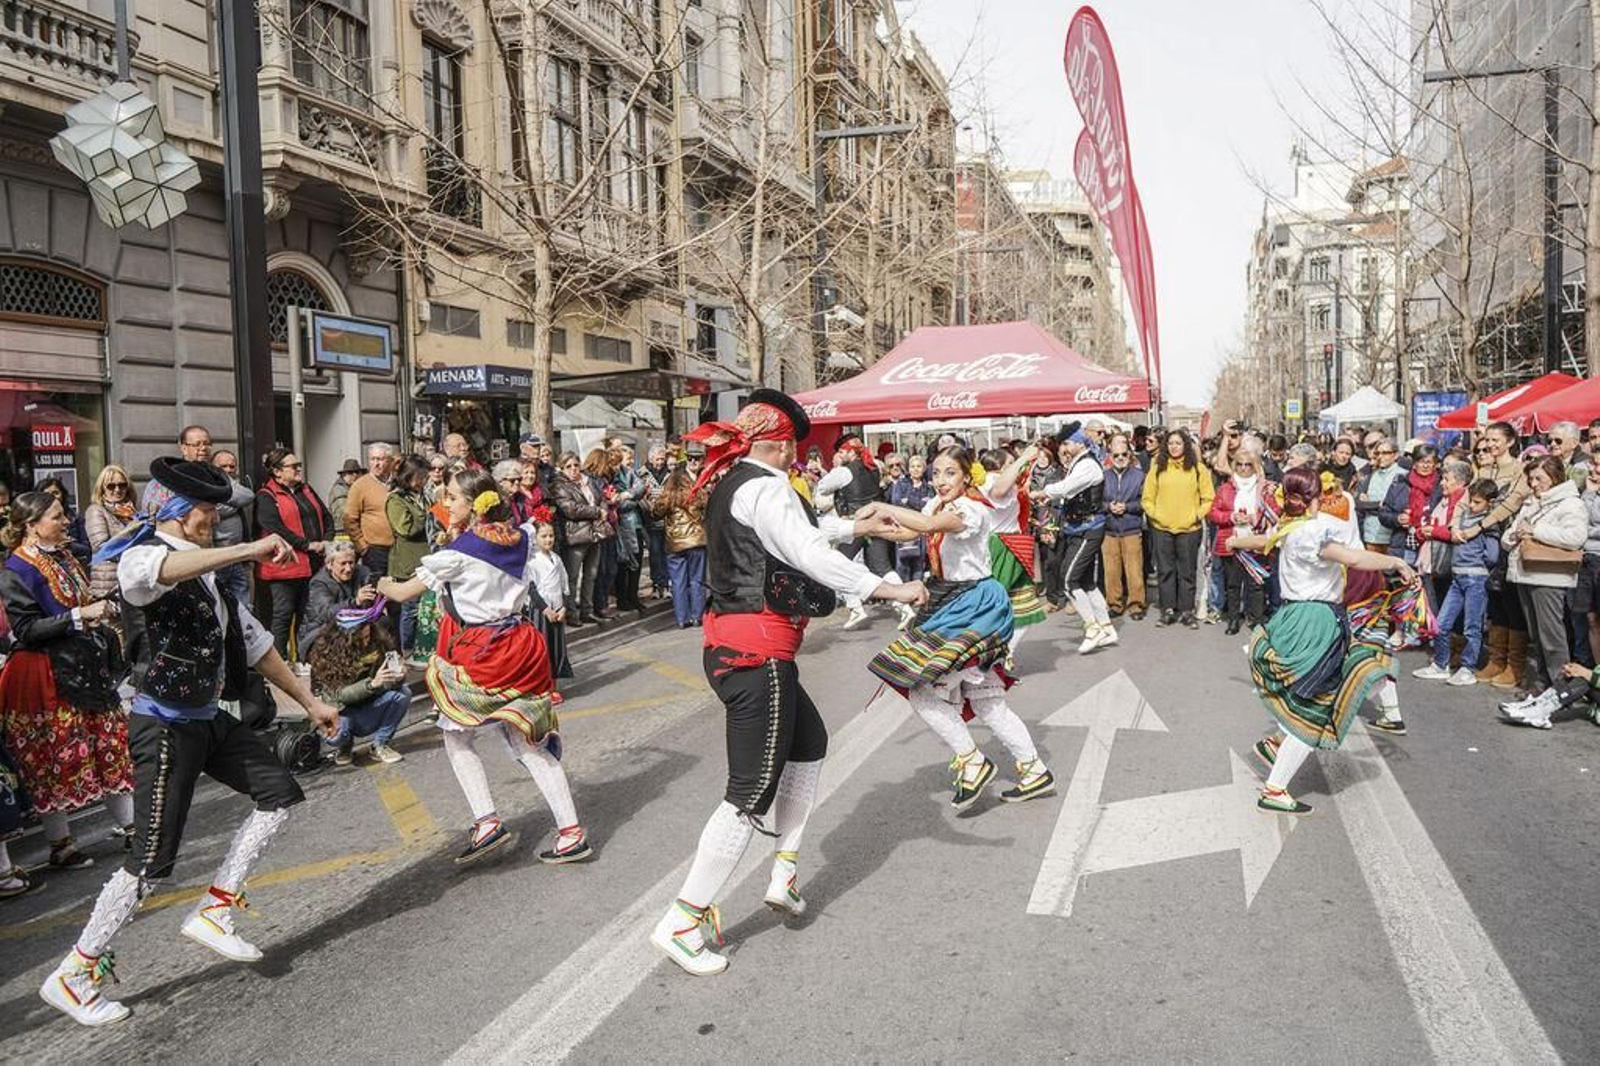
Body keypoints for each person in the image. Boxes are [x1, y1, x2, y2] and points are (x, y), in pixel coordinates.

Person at [42, 457, 340, 1027]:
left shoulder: (207, 576)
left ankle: (215, 910)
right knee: (150, 863)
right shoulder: (142, 558)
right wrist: (248, 552)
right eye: (209, 511)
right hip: (162, 725)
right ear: (181, 512)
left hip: (204, 718)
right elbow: (154, 573)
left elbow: (255, 645)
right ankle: (74, 972)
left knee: (279, 791)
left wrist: (312, 703)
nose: (218, 521)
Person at [647, 390, 925, 977]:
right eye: (794, 453)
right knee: (749, 793)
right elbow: (803, 552)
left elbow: (780, 536)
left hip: (740, 645)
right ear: (780, 447)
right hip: (760, 653)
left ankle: (784, 871)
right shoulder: (767, 484)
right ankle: (682, 919)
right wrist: (888, 588)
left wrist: (852, 522)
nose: (797, 463)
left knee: (810, 744)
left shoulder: (735, 480)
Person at [377, 468, 592, 866]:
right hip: (523, 645)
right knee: (529, 743)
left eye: (453, 497)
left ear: (475, 506)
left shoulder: (456, 555)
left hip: (483, 652)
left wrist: (382, 585)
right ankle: (571, 832)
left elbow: (406, 592)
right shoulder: (522, 538)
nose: (446, 503)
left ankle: (487, 820)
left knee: (456, 736)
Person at [866, 445, 1054, 806]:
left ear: (968, 476)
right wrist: (857, 529)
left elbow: (926, 526)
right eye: (935, 473)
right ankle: (1032, 770)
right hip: (955, 600)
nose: (940, 480)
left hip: (975, 603)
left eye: (950, 472)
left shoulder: (971, 509)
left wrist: (880, 505)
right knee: (986, 698)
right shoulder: (938, 505)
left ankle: (971, 761)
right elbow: (911, 532)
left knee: (921, 688)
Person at [1229, 467, 1419, 815]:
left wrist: (1234, 540)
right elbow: (1354, 558)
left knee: (1343, 683)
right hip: (1315, 623)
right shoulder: (1312, 532)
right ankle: (1274, 788)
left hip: (1295, 618)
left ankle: (1277, 743)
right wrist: (1394, 561)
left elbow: (1262, 541)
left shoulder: (1290, 526)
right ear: (1316, 498)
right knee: (1316, 708)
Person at [0, 493, 133, 870]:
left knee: (108, 747)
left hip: (83, 665)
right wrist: (79, 615)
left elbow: (79, 600)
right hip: (45, 674)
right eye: (57, 517)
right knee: (55, 761)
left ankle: (133, 826)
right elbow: (26, 629)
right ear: (31, 524)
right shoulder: (16, 569)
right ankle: (61, 843)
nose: (65, 521)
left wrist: (99, 607)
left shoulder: (66, 556)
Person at [1497, 455, 1589, 729]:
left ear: (1555, 477)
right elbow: (1507, 536)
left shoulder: (1570, 503)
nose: (1534, 484)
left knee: (1552, 640)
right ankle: (1540, 689)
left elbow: (1575, 537)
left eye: (1540, 478)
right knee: (1537, 638)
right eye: (1531, 479)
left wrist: (1535, 530)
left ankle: (1559, 694)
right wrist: (1515, 535)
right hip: (1525, 573)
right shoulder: (1533, 502)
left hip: (1550, 577)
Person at [1413, 479, 1500, 686]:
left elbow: (1493, 555)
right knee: (1441, 624)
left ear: (1490, 502)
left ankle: (1467, 668)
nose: (1472, 505)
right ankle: (1441, 664)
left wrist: (1478, 562)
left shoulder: (1489, 525)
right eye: (1471, 500)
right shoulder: (1464, 516)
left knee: (1472, 627)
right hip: (1457, 577)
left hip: (1475, 578)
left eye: (1477, 502)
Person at [254, 448, 334, 659]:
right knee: (282, 615)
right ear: (277, 472)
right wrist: (306, 545)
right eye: (293, 466)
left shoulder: (306, 489)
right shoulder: (266, 495)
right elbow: (275, 527)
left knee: (308, 615)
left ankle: (303, 658)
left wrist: (326, 539)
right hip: (284, 567)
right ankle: (279, 663)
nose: (299, 469)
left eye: (299, 465)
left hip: (312, 564)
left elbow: (326, 516)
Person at [1041, 425, 1115, 652]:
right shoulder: (1079, 463)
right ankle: (1106, 627)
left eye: (1067, 443)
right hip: (1077, 527)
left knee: (1068, 580)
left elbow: (1066, 487)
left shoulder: (1088, 465)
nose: (1063, 448)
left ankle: (1092, 628)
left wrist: (1043, 492)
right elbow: (1071, 493)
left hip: (1088, 528)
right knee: (1085, 581)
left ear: (1079, 443)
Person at [306, 612, 408, 765]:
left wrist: (397, 677)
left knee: (403, 694)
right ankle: (344, 746)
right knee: (336, 736)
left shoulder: (378, 644)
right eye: (360, 639)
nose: (365, 643)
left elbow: (386, 683)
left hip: (369, 707)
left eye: (368, 637)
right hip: (341, 712)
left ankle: (380, 744)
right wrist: (372, 684)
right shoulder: (327, 655)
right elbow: (338, 695)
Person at [818, 433, 894, 630]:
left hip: (856, 523)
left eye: (842, 451)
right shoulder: (874, 466)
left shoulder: (843, 472)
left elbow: (823, 487)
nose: (839, 455)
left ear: (850, 452)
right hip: (875, 519)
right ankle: (904, 605)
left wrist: (834, 469)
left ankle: (855, 608)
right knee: (882, 565)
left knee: (838, 562)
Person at [1142, 429, 1214, 628]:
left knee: (1187, 571)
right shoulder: (1157, 467)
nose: (1174, 447)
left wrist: (1196, 515)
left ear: (1185, 446)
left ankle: (1187, 611)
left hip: (1189, 528)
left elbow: (1208, 498)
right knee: (1165, 570)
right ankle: (1167, 610)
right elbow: (1147, 498)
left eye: (1178, 443)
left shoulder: (1198, 469)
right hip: (1162, 528)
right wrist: (1156, 515)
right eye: (1170, 443)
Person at [1208, 441, 1272, 635]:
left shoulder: (1264, 488)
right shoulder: (1225, 488)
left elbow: (1274, 510)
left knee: (1256, 583)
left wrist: (1256, 518)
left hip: (1255, 541)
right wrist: (1231, 517)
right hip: (1231, 541)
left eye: (1248, 465)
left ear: (1255, 467)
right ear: (1234, 466)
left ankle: (1256, 619)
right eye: (1240, 464)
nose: (1244, 469)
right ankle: (1233, 620)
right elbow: (1213, 513)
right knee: (1233, 584)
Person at [551, 451, 608, 624]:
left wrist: (602, 508)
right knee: (572, 576)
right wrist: (597, 512)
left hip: (594, 533)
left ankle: (587, 610)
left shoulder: (587, 480)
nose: (574, 469)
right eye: (568, 466)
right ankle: (571, 613)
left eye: (576, 465)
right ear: (561, 468)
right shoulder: (559, 485)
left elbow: (601, 498)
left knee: (591, 574)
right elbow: (571, 509)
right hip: (575, 535)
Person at [651, 465, 707, 628]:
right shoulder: (696, 493)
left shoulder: (668, 495)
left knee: (678, 581)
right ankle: (698, 616)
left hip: (675, 543)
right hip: (696, 541)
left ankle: (682, 619)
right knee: (697, 579)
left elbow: (655, 513)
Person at [298, 540, 375, 660]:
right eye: (343, 564)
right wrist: (355, 602)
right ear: (329, 564)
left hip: (351, 626)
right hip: (319, 634)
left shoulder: (362, 572)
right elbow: (327, 613)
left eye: (351, 562)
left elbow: (371, 585)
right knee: (349, 632)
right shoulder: (319, 583)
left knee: (383, 622)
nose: (348, 568)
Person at [385, 455, 431, 653]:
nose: (423, 481)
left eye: (424, 477)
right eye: (419, 477)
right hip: (408, 561)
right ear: (408, 476)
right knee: (410, 610)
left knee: (426, 609)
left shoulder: (424, 496)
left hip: (427, 558)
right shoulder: (395, 499)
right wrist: (430, 516)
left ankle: (425, 647)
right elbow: (406, 528)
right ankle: (408, 650)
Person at [1100, 434, 1146, 621]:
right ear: (1110, 456)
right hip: (1109, 530)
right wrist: (1108, 507)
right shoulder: (1103, 477)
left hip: (1131, 528)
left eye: (1123, 455)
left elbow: (1146, 502)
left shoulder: (1139, 476)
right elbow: (1096, 502)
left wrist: (1128, 507)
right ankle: (1114, 604)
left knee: (1134, 570)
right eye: (1116, 455)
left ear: (1130, 455)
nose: (1120, 458)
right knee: (1111, 571)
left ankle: (1136, 605)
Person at [527, 521, 572, 698]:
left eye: (551, 536)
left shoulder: (557, 558)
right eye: (543, 536)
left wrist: (563, 608)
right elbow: (531, 588)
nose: (548, 540)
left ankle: (553, 685)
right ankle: (542, 687)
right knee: (542, 649)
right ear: (535, 538)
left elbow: (564, 584)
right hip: (541, 611)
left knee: (556, 649)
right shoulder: (532, 561)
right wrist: (545, 609)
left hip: (557, 608)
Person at [83, 464, 140, 601]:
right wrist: (134, 528)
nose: (117, 489)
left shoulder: (132, 511)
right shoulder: (96, 510)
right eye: (111, 486)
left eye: (122, 485)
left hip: (132, 579)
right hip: (109, 583)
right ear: (102, 488)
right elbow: (102, 548)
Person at [1380, 444, 1441, 567]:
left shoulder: (1441, 485)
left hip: (1432, 544)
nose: (1425, 466)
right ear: (1414, 463)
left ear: (1435, 464)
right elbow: (1383, 514)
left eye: (1429, 462)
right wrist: (1397, 519)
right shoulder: (1400, 483)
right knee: (1408, 582)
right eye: (1421, 461)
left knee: (1428, 584)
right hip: (1406, 543)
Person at [345, 443, 397, 578]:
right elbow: (349, 519)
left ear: (390, 461)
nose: (376, 464)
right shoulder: (360, 485)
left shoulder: (397, 483)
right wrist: (361, 546)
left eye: (380, 459)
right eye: (372, 459)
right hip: (375, 549)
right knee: (377, 590)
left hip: (398, 547)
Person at [209, 451, 253, 606]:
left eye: (231, 466)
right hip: (217, 557)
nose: (228, 470)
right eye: (223, 466)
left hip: (238, 558)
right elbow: (215, 509)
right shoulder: (207, 486)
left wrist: (229, 489)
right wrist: (235, 503)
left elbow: (248, 496)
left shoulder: (234, 485)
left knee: (244, 608)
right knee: (219, 605)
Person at [142, 424, 211, 514]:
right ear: (184, 449)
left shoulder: (216, 476)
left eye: (207, 444)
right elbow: (151, 513)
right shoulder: (167, 478)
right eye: (197, 444)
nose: (203, 448)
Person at [889, 453, 935, 582]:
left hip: (921, 528)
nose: (915, 469)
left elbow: (929, 505)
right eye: (912, 466)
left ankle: (917, 590)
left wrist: (908, 500)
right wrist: (918, 503)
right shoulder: (901, 484)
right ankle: (904, 592)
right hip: (904, 527)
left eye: (919, 466)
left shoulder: (929, 487)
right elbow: (896, 502)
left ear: (924, 468)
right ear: (908, 469)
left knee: (919, 563)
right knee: (902, 562)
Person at [1353, 437, 1403, 553]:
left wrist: (1370, 504)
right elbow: (1358, 504)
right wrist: (1378, 504)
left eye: (1385, 453)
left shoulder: (1402, 475)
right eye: (1378, 453)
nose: (1380, 456)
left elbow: (1395, 507)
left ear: (1395, 455)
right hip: (1370, 534)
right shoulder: (1371, 475)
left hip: (1391, 537)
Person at [639, 445, 673, 600]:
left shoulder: (671, 474)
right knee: (654, 553)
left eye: (662, 459)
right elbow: (639, 495)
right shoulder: (641, 474)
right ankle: (655, 584)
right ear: (651, 459)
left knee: (666, 553)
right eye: (657, 459)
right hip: (650, 521)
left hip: (666, 520)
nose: (660, 462)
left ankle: (665, 584)